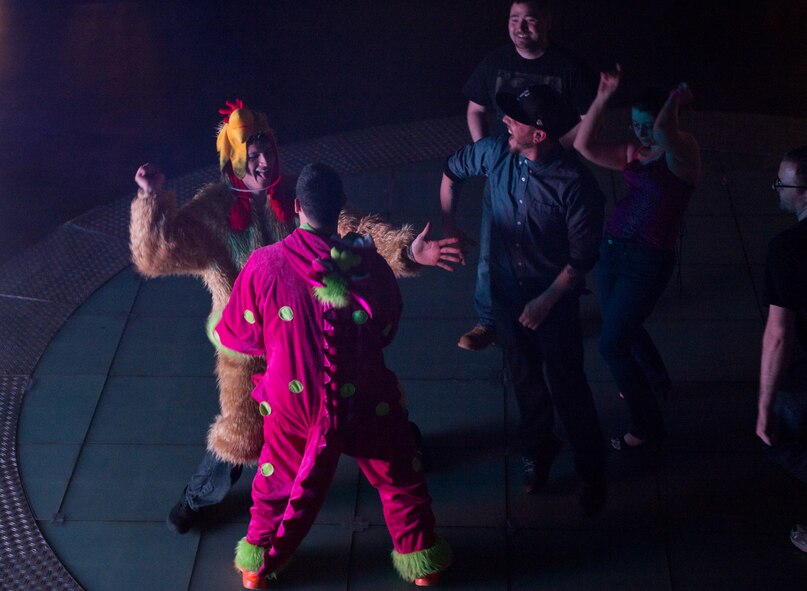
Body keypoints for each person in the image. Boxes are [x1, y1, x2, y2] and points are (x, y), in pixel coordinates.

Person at [130, 100, 462, 535]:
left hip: (304, 328)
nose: (265, 162)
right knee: (242, 432)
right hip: (245, 346)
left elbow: (350, 226)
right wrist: (151, 198)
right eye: (253, 156)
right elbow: (156, 255)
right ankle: (197, 496)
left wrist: (405, 252)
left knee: (358, 402)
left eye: (268, 151)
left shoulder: (294, 194)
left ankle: (403, 446)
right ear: (236, 159)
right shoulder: (213, 210)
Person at [215, 163, 452, 588]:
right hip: (365, 398)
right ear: (341, 206)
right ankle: (423, 563)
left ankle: (258, 564)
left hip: (293, 402)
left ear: (295, 208)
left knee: (277, 479)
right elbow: (386, 328)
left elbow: (239, 334)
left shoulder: (263, 264)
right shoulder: (369, 265)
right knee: (399, 476)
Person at [441, 84, 607, 515]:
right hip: (506, 293)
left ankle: (591, 470)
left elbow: (582, 257)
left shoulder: (575, 186)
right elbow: (452, 169)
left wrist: (547, 301)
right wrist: (447, 223)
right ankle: (539, 449)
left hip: (551, 301)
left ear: (539, 135)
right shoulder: (498, 151)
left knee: (568, 385)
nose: (505, 123)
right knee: (524, 379)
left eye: (515, 120)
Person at [573, 65, 701, 451]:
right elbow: (584, 146)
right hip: (613, 252)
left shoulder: (684, 154)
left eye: (647, 124)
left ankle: (647, 426)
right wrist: (602, 96)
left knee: (612, 345)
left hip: (648, 261)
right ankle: (655, 380)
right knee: (619, 323)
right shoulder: (635, 151)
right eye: (635, 124)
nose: (642, 132)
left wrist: (677, 95)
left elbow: (664, 131)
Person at [457, 0, 597, 351]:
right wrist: (488, 155)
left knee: (554, 249)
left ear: (547, 21)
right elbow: (475, 108)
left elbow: (588, 120)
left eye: (529, 20)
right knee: (492, 250)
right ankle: (489, 321)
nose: (520, 28)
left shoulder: (569, 67)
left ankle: (557, 313)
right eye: (513, 19)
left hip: (551, 179)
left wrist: (553, 150)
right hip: (506, 178)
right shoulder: (495, 62)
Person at [755, 145, 807, 554]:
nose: (776, 191)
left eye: (782, 184)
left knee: (781, 441)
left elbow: (779, 334)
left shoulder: (788, 249)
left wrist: (764, 405)